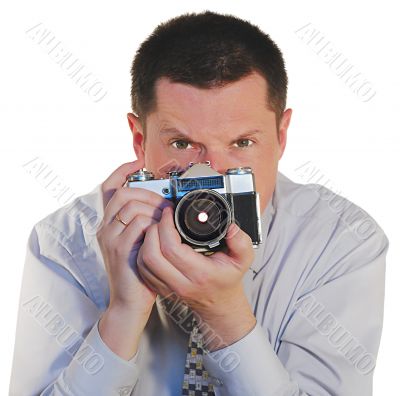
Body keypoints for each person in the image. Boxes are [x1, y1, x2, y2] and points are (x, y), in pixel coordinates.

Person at [9, 10, 388, 396]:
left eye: (242, 143)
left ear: (281, 136)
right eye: (182, 144)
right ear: (140, 140)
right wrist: (123, 313)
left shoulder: (340, 242)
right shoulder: (67, 241)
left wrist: (224, 314)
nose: (212, 175)